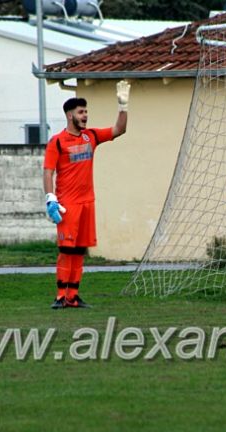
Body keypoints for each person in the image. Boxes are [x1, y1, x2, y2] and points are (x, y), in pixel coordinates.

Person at [43, 80, 130, 309]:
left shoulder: (90, 136)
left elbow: (119, 130)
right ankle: (61, 296)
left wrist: (123, 107)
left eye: (86, 112)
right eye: (81, 112)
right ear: (70, 115)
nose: (85, 116)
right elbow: (48, 172)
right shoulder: (57, 142)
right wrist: (50, 198)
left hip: (87, 203)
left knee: (80, 251)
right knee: (66, 250)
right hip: (67, 205)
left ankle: (73, 297)